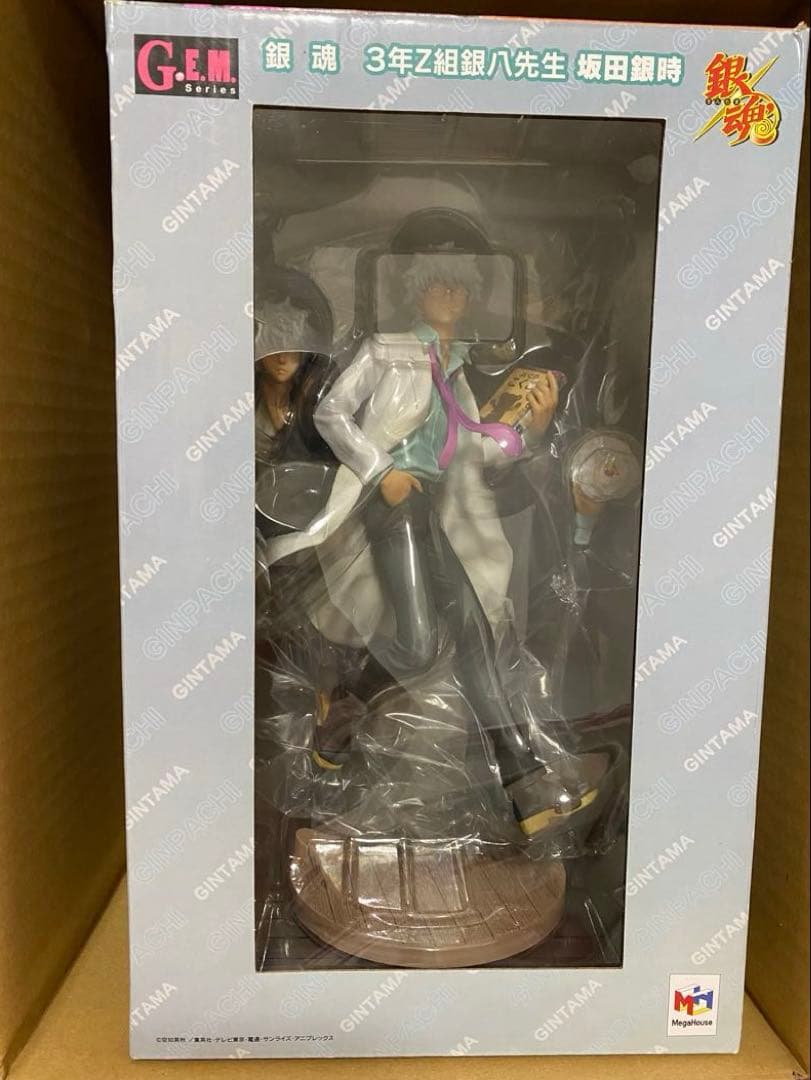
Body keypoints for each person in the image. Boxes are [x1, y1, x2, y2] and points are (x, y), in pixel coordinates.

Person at [267, 246, 615, 846]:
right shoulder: (388, 350)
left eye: (459, 285)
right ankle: (344, 705)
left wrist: (531, 432)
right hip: (391, 505)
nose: (449, 293)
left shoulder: (454, 370)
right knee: (419, 643)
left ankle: (524, 785)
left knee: (474, 639)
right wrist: (381, 471)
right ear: (418, 292)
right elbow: (331, 415)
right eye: (437, 283)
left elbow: (470, 454)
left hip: (426, 505)